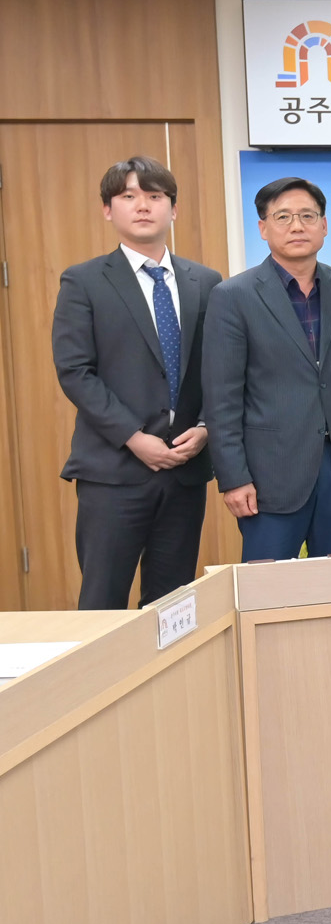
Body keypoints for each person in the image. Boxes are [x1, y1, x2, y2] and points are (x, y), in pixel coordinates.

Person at [52, 156, 222, 608]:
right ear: (108, 210)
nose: (143, 205)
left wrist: (206, 426)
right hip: (114, 471)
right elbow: (75, 370)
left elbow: (219, 368)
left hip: (185, 469)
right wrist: (133, 437)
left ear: (173, 209)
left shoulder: (206, 282)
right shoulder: (84, 281)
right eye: (128, 196)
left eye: (154, 196)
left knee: (172, 606)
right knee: (102, 603)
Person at [203, 177, 331, 560]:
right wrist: (233, 477)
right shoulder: (233, 296)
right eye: (283, 217)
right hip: (269, 476)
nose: (297, 226)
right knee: (268, 588)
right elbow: (221, 398)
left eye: (308, 216)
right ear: (263, 228)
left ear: (324, 225)